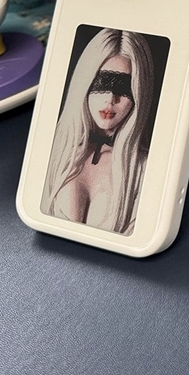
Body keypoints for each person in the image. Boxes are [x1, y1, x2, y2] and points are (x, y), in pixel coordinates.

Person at [41, 28, 154, 235]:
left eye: (124, 87)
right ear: (84, 84)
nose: (111, 99)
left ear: (139, 93)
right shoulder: (50, 151)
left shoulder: (143, 168)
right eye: (102, 82)